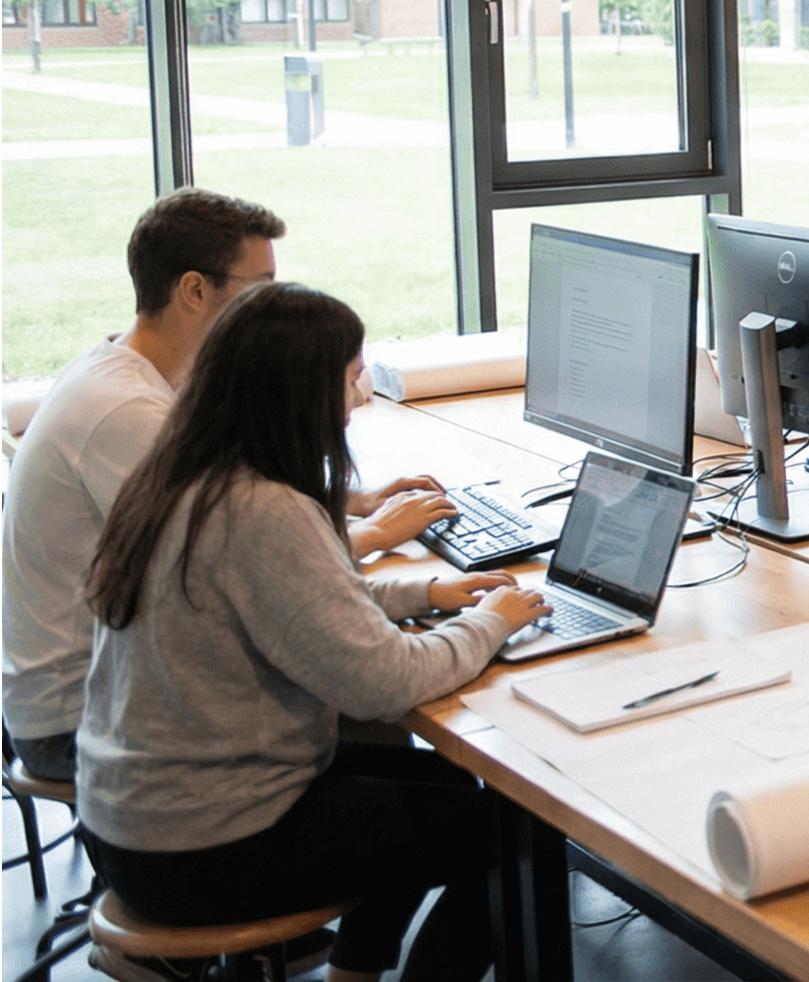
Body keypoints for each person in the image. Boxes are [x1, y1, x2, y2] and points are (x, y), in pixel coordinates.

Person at [78, 283, 550, 982]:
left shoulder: (184, 476)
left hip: (135, 827)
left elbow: (302, 604)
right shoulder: (261, 510)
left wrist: (425, 591)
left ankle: (353, 973)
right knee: (513, 836)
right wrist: (488, 622)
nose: (360, 399)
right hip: (202, 849)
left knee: (456, 784)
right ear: (297, 391)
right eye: (352, 377)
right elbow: (385, 683)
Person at [2, 190, 458, 785]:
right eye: (262, 283)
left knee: (381, 725)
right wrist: (372, 534)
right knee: (373, 704)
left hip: (111, 691)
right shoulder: (126, 413)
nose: (273, 300)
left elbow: (218, 491)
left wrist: (350, 500)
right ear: (194, 290)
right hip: (80, 722)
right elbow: (236, 557)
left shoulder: (129, 370)